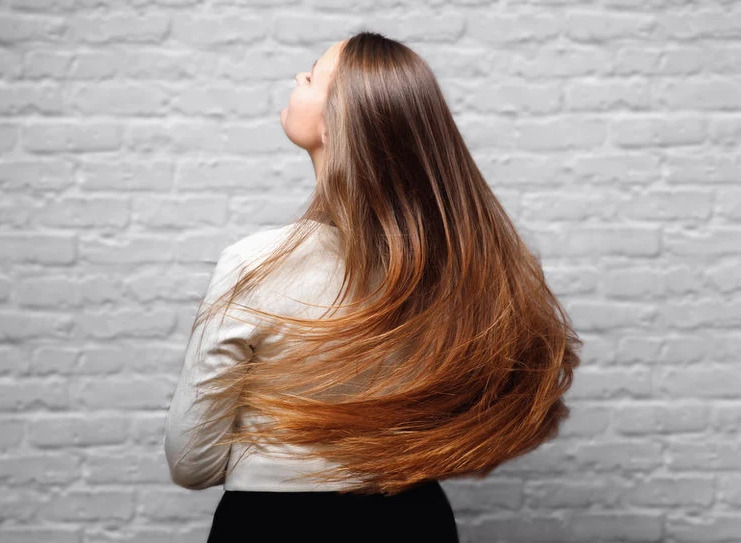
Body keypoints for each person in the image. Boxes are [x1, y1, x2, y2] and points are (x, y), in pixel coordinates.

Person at [164, 31, 582, 542]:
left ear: (335, 121)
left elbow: (192, 463)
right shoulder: (456, 268)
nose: (298, 77)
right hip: (415, 521)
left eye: (313, 76)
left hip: (271, 524)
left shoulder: (255, 264)